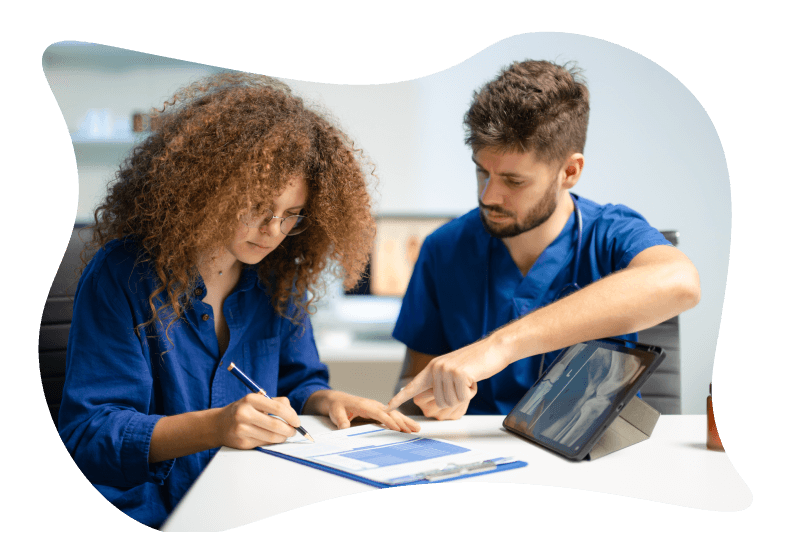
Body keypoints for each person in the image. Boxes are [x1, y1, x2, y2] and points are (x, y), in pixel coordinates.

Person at [58, 72, 420, 529]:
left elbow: (297, 379)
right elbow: (89, 436)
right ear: (206, 190)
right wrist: (214, 426)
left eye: (291, 215)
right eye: (256, 208)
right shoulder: (123, 274)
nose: (273, 231)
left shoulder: (279, 275)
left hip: (247, 500)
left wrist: (328, 400)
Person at [386, 60, 701, 419]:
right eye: (481, 170)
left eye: (513, 181)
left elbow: (681, 282)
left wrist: (500, 346)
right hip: (479, 456)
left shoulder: (610, 234)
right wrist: (433, 402)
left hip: (593, 459)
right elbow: (412, 388)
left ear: (569, 171)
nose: (488, 196)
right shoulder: (444, 249)